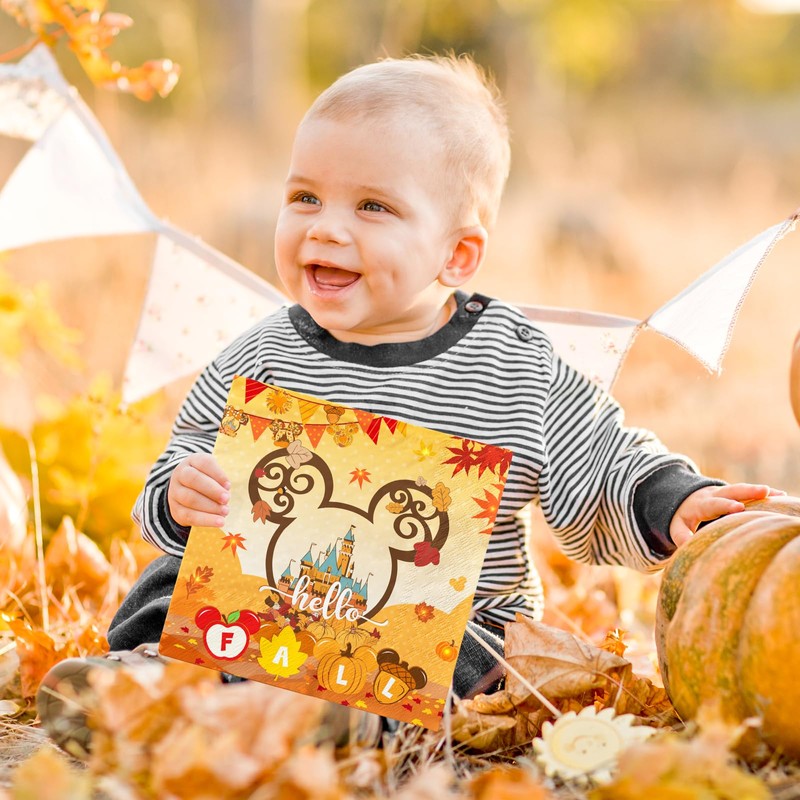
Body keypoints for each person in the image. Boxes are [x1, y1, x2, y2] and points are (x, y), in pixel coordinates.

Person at [37, 53, 779, 756]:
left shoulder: (511, 366)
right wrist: (182, 495)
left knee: (479, 648)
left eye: (373, 206)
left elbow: (604, 457)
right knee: (175, 586)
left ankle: (340, 721)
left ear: (457, 254)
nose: (325, 227)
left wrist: (670, 500)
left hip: (423, 633)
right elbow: (186, 458)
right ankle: (153, 686)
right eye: (304, 197)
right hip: (259, 603)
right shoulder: (263, 355)